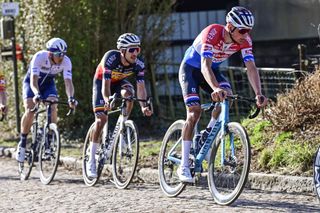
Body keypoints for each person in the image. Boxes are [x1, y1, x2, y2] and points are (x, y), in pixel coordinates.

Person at [177, 6, 268, 183]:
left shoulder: (245, 41)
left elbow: (250, 68)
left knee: (228, 97)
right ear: (230, 26)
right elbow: (205, 65)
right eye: (242, 30)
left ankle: (208, 130)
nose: (245, 34)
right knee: (194, 112)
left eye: (248, 31)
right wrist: (215, 88)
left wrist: (258, 93)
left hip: (212, 71)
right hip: (192, 70)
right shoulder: (213, 32)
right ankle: (183, 165)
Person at [88, 33, 153, 178]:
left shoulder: (139, 63)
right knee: (101, 119)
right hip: (101, 83)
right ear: (122, 51)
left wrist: (143, 106)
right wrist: (106, 100)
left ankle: (122, 126)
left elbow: (140, 87)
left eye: (137, 49)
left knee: (129, 95)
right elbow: (105, 85)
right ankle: (91, 160)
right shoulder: (110, 58)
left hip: (118, 83)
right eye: (131, 50)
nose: (135, 53)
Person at [16, 38, 77, 162]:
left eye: (63, 54)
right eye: (58, 54)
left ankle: (49, 141)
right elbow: (33, 81)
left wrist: (71, 98)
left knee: (53, 105)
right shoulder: (39, 57)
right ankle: (22, 143)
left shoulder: (66, 61)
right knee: (30, 110)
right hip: (32, 84)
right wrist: (37, 94)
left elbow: (68, 83)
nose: (61, 57)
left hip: (48, 84)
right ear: (50, 53)